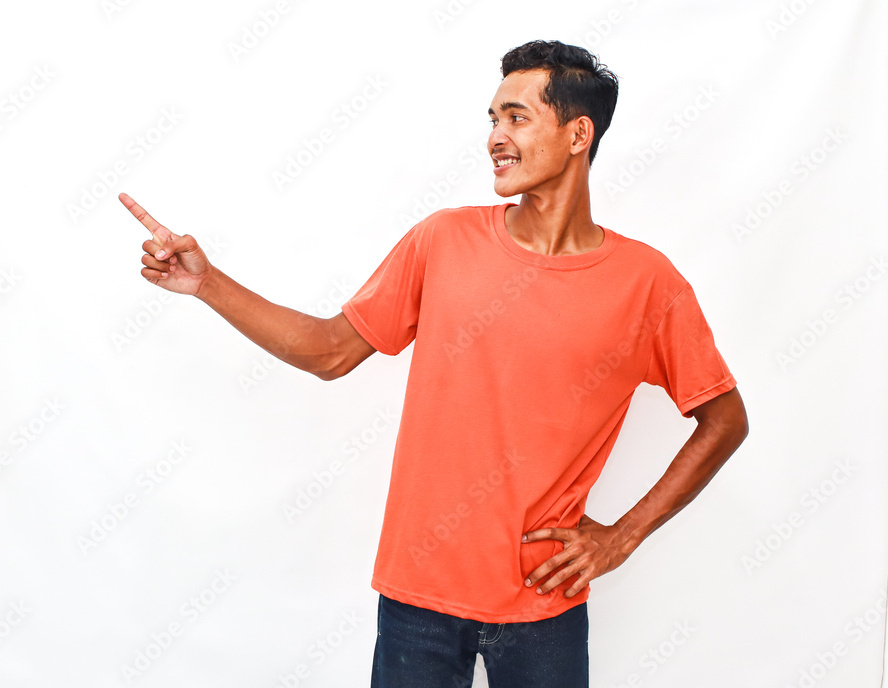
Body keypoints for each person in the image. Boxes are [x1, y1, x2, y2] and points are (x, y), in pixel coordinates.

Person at [119, 39, 748, 688]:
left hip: (544, 601)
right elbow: (332, 351)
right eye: (492, 119)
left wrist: (621, 537)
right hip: (418, 597)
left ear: (578, 133)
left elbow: (723, 417)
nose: (495, 138)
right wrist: (207, 283)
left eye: (517, 118)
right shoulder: (443, 241)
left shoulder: (646, 284)